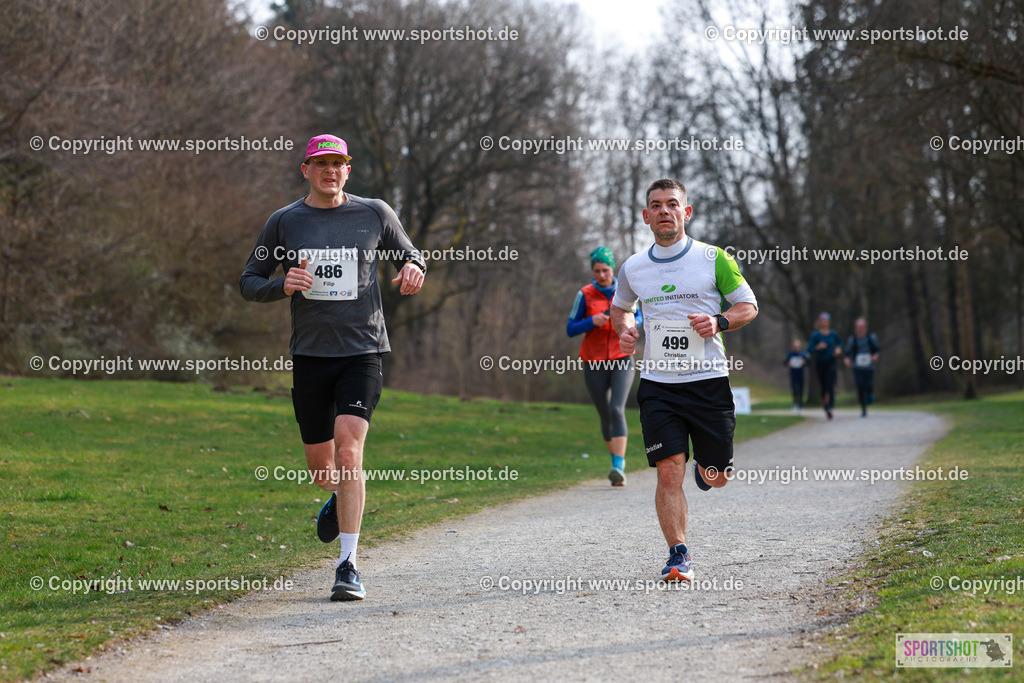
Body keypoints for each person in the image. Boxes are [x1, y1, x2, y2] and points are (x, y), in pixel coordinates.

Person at [239, 134, 425, 601]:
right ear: (306, 170)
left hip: (362, 351)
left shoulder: (375, 213)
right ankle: (338, 496)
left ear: (349, 169)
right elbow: (248, 282)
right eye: (320, 163)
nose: (330, 171)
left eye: (337, 163)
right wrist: (281, 286)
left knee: (349, 452)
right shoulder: (284, 222)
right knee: (324, 467)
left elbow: (411, 255)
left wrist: (414, 269)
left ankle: (348, 565)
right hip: (310, 356)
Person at [610, 179, 757, 582]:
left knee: (717, 476)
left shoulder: (713, 259)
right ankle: (678, 555)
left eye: (672, 204)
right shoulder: (633, 268)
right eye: (655, 205)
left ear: (686, 212)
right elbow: (620, 308)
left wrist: (719, 321)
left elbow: (749, 305)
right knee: (668, 470)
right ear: (646, 216)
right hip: (659, 386)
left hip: (708, 381)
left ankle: (708, 468)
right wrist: (625, 329)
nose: (664, 211)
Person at [567, 246, 640, 486]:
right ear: (592, 271)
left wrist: (630, 325)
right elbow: (570, 328)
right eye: (597, 271)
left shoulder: (625, 291)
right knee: (604, 413)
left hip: (621, 358)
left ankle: (618, 465)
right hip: (593, 361)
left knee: (616, 409)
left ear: (612, 269)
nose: (601, 275)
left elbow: (638, 317)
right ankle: (615, 462)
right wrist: (591, 321)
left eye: (605, 270)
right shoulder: (585, 294)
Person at [807, 312, 843, 420]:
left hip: (831, 362)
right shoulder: (816, 335)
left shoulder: (833, 334)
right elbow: (810, 348)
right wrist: (818, 347)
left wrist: (838, 349)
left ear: (829, 322)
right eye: (822, 321)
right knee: (823, 386)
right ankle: (824, 402)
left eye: (826, 321)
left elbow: (840, 343)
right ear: (820, 322)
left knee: (830, 385)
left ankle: (830, 407)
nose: (824, 323)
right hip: (820, 362)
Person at [844, 318, 880, 417]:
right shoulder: (852, 340)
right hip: (857, 367)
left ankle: (870, 395)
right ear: (855, 328)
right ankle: (863, 409)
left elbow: (877, 349)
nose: (860, 329)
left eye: (862, 327)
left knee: (868, 384)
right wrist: (847, 359)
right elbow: (847, 353)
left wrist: (875, 355)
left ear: (865, 328)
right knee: (860, 386)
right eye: (858, 327)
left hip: (869, 366)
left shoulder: (871, 338)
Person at [784, 339, 810, 412]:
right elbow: (785, 362)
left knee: (801, 390)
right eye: (795, 346)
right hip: (793, 374)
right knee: (795, 390)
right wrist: (788, 364)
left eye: (798, 346)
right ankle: (795, 404)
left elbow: (808, 362)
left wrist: (804, 362)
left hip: (801, 374)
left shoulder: (803, 354)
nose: (796, 347)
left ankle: (801, 405)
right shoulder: (790, 354)